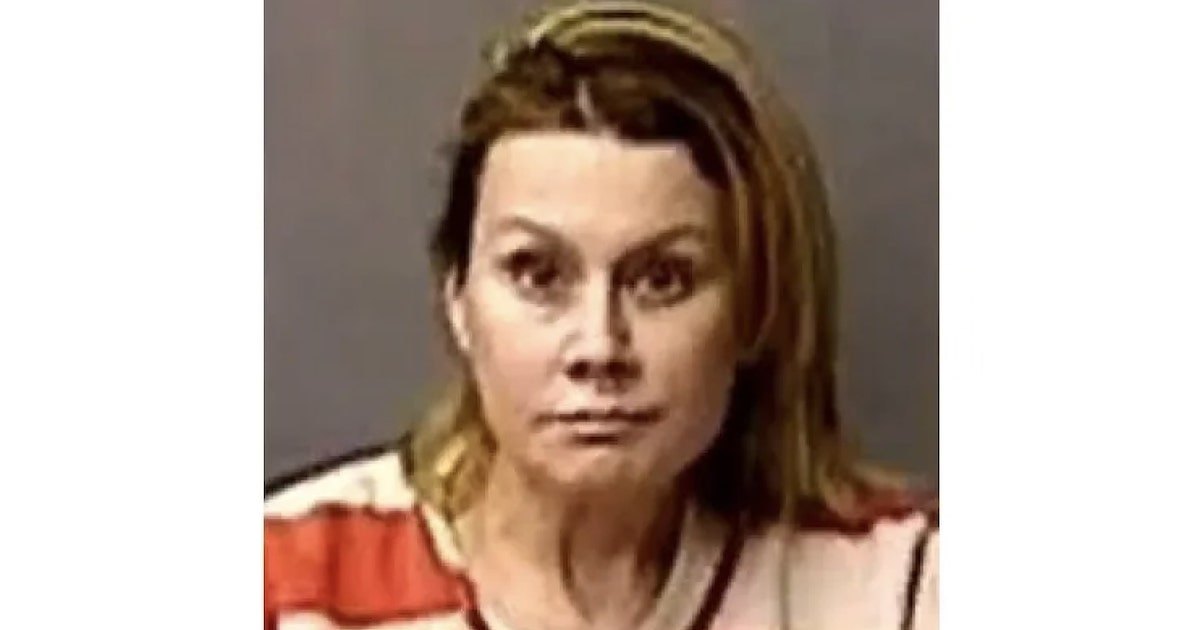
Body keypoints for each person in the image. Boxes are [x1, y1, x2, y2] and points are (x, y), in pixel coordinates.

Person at [264, 2, 938, 629]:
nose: (599, 348)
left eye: (662, 280)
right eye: (538, 275)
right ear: (459, 302)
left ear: (754, 309)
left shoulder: (904, 587)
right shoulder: (281, 581)